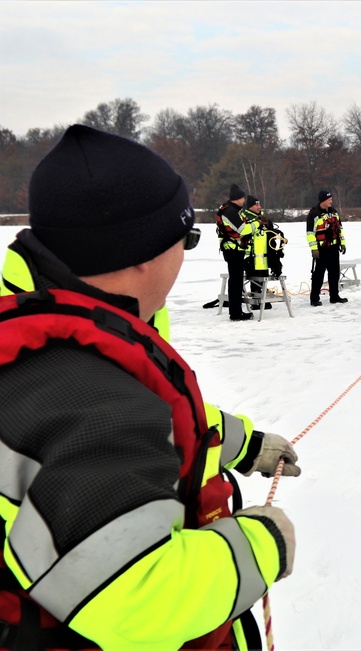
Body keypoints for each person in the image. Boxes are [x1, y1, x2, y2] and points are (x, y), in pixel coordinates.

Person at [0, 125, 299, 650]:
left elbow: (154, 421)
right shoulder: (92, 398)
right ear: (140, 253)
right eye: (185, 239)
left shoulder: (48, 321)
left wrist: (243, 443)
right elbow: (138, 599)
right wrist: (263, 545)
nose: (185, 255)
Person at [240, 196, 287, 309]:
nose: (259, 207)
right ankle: (256, 301)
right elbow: (244, 231)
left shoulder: (262, 217)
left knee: (263, 276)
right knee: (254, 278)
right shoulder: (245, 217)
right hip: (250, 255)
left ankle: (262, 298)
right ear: (250, 206)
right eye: (256, 205)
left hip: (264, 255)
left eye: (259, 204)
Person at [216, 183, 252, 321]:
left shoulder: (233, 210)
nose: (244, 201)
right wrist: (255, 225)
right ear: (237, 198)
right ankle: (236, 313)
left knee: (237, 281)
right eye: (243, 198)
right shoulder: (230, 212)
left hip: (236, 250)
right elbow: (243, 230)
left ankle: (237, 311)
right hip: (233, 251)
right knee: (235, 281)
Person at [306, 190, 348, 306]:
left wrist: (342, 243)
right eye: (329, 199)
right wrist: (314, 249)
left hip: (334, 248)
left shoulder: (334, 212)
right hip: (321, 249)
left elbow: (340, 229)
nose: (331, 201)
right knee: (318, 275)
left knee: (334, 273)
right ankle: (314, 298)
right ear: (323, 200)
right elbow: (310, 233)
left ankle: (334, 296)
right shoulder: (313, 214)